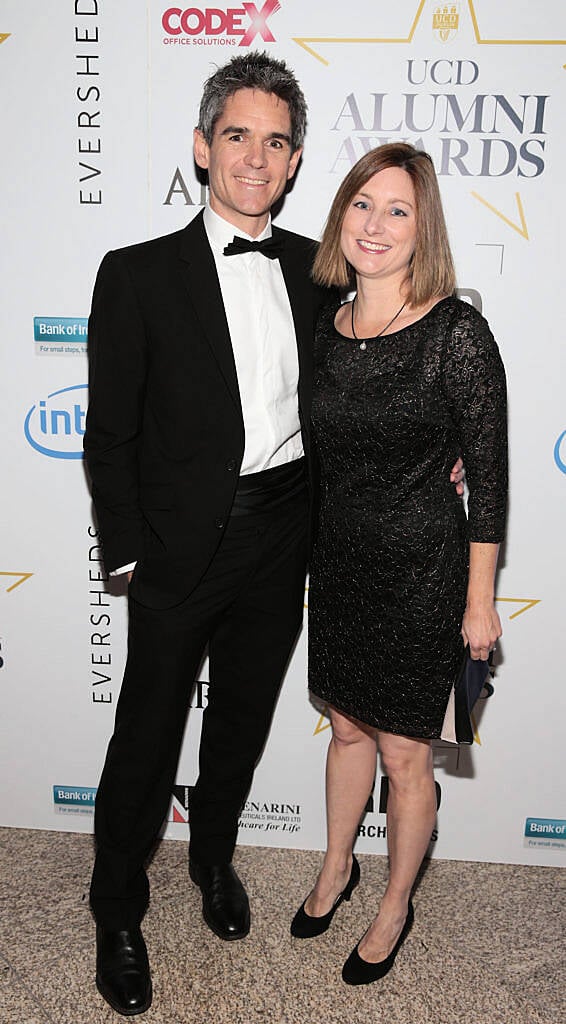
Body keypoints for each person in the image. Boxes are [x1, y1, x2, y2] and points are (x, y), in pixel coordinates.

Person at [85, 54, 464, 1014]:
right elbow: (110, 432)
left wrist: (454, 445)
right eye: (239, 136)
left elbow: (405, 350)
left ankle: (213, 860)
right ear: (204, 146)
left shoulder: (319, 266)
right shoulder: (134, 275)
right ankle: (116, 909)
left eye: (278, 141)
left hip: (289, 534)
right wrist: (127, 552)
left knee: (242, 723)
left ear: (295, 161)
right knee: (145, 735)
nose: (257, 157)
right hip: (176, 548)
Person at [290, 143, 507, 986]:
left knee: (405, 756)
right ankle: (337, 865)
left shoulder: (457, 331)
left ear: (424, 231)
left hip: (424, 570)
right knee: (346, 728)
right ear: (341, 213)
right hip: (337, 564)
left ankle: (393, 903)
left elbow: (488, 477)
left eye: (398, 210)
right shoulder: (328, 325)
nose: (375, 225)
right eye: (362, 204)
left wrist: (479, 603)